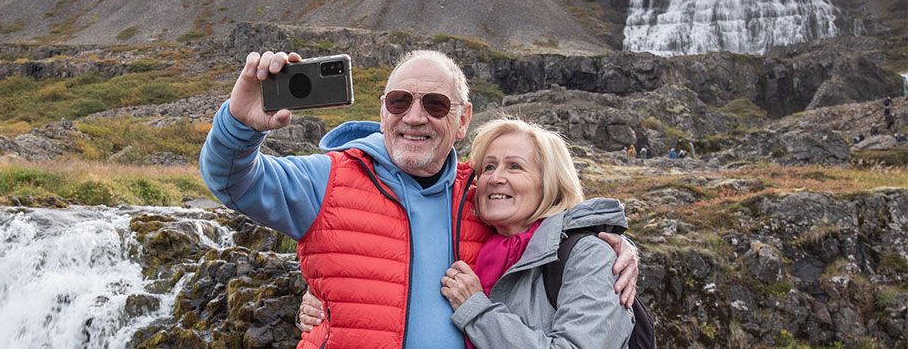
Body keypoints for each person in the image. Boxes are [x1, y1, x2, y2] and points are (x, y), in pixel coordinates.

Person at [200, 50, 639, 349]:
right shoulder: (326, 179)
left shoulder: (483, 196)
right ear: (382, 110)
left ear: (463, 119)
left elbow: (548, 225)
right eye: (399, 101)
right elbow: (232, 181)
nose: (414, 116)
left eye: (434, 104)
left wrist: (609, 246)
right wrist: (240, 124)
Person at [440, 118, 633, 348]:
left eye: (515, 166)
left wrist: (474, 309)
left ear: (549, 182)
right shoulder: (476, 241)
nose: (495, 178)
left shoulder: (590, 256)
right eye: (488, 167)